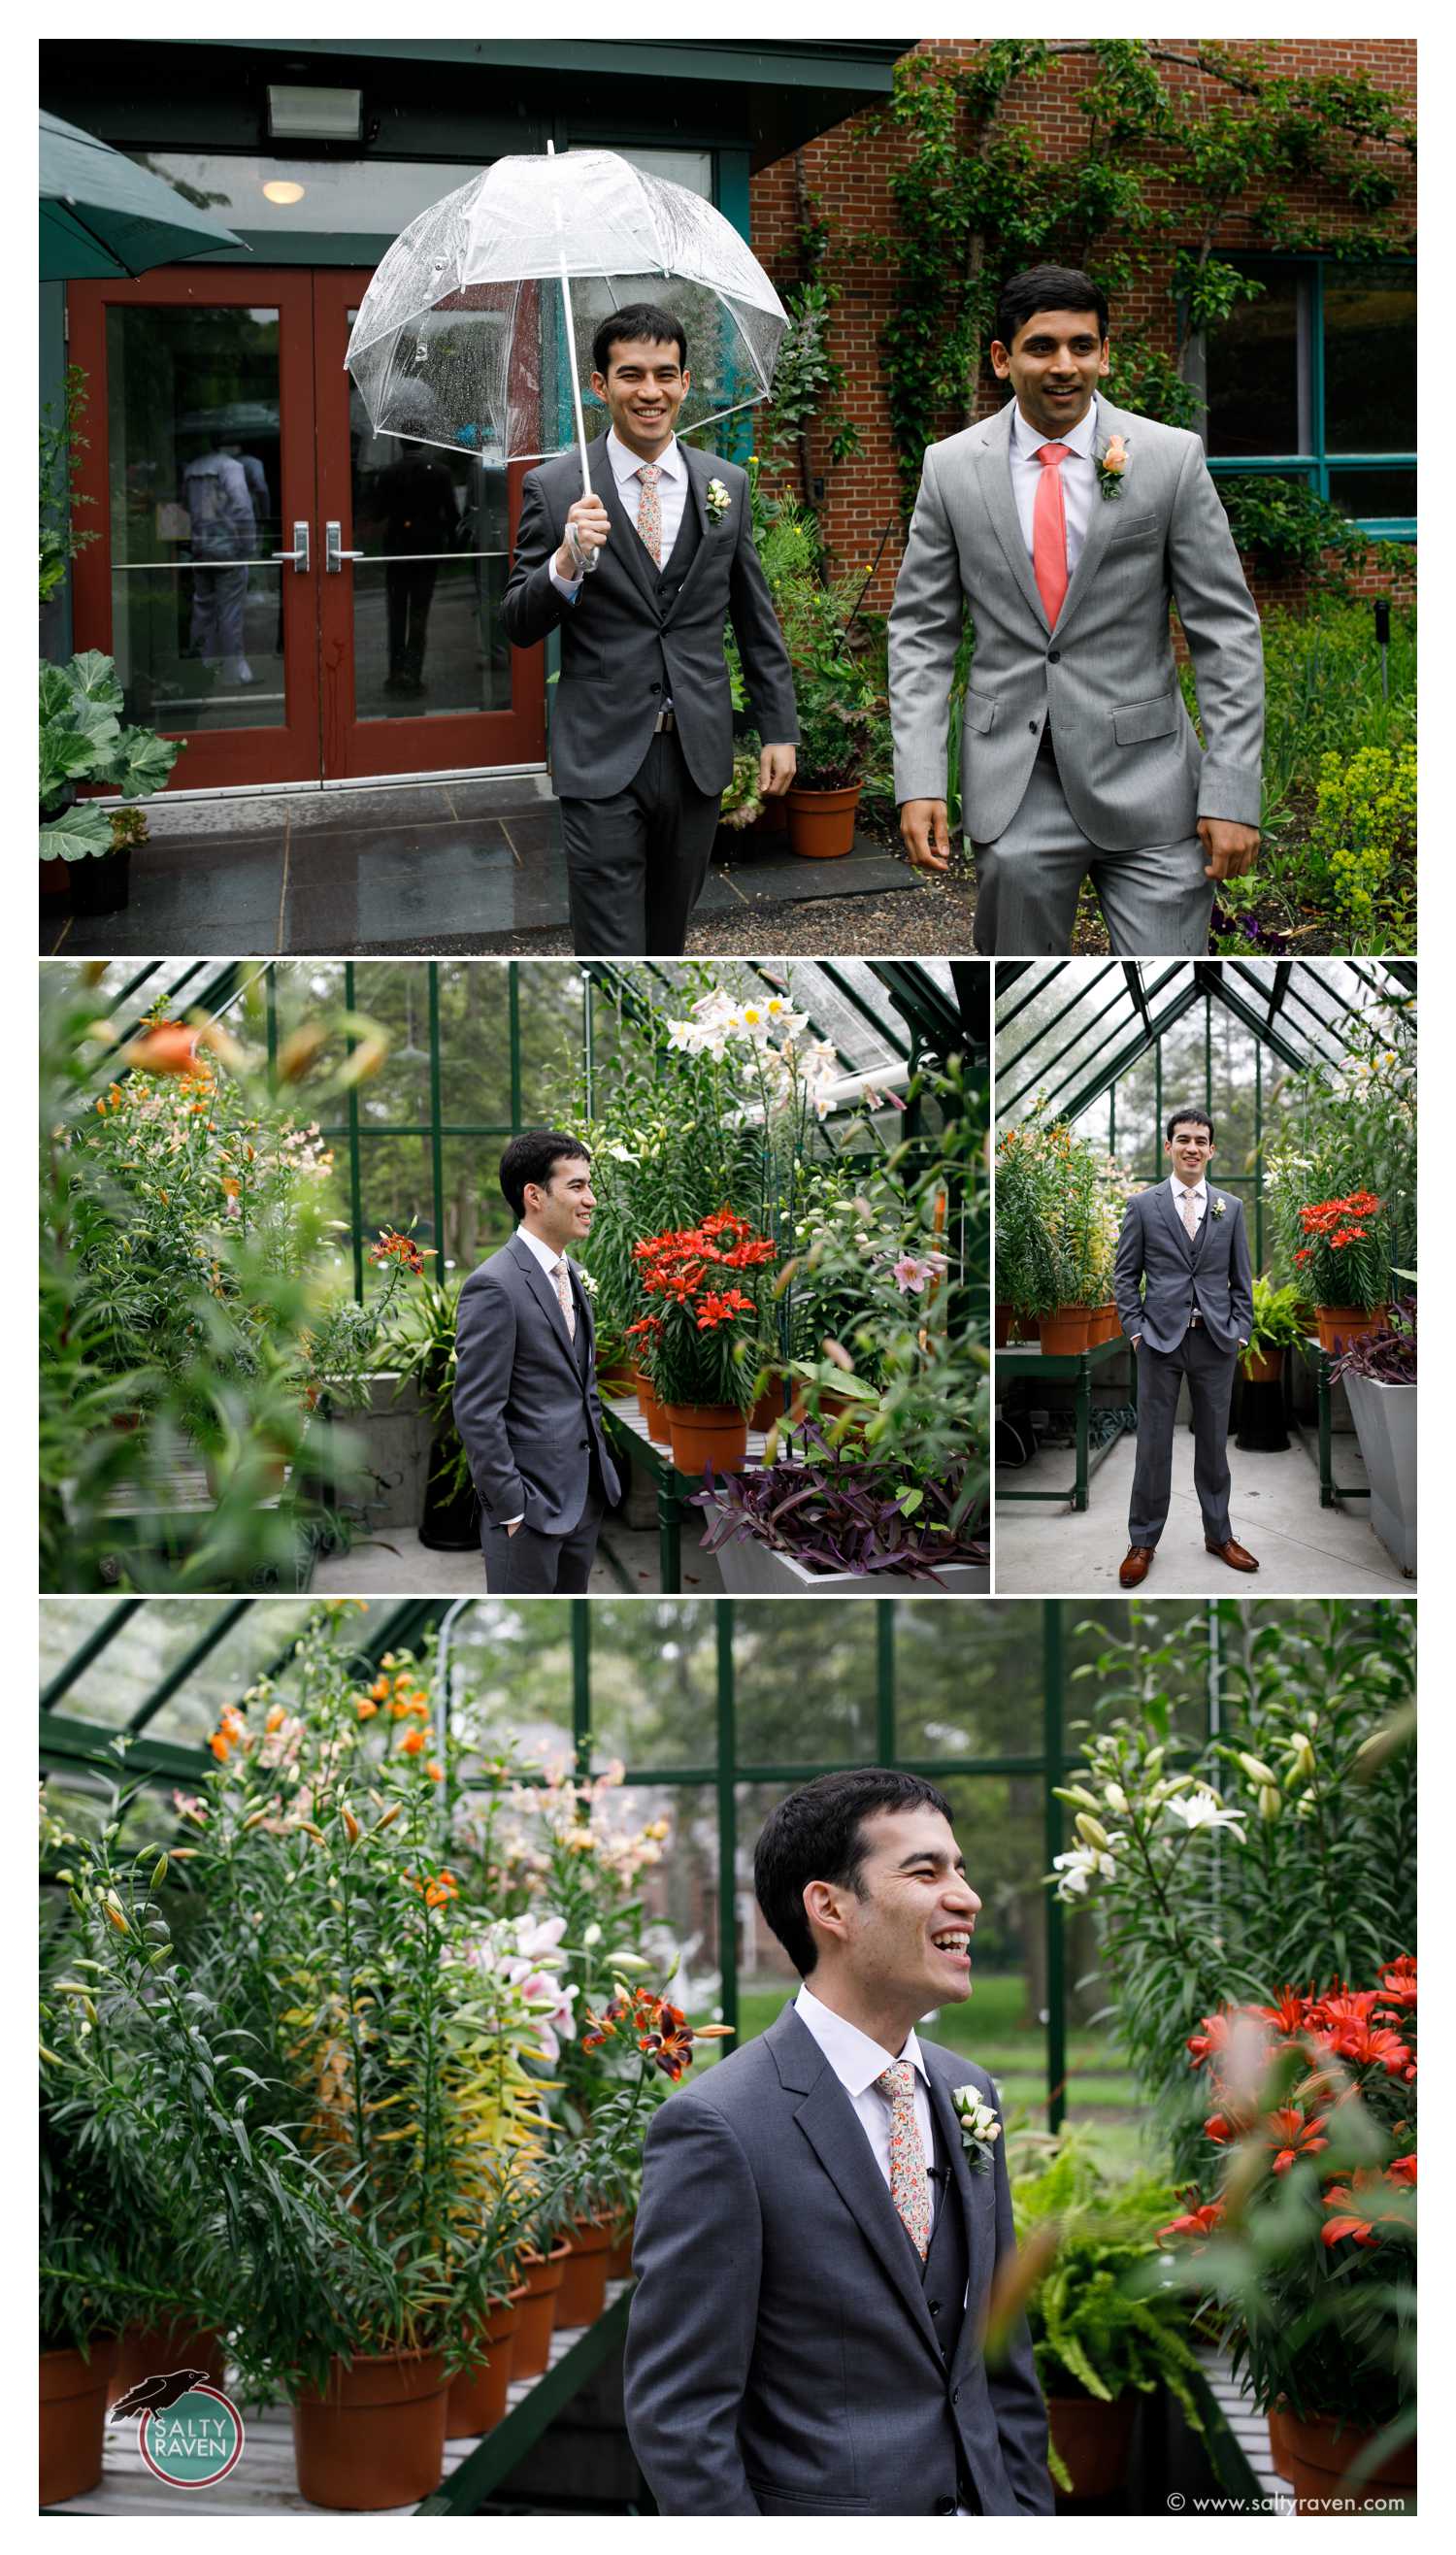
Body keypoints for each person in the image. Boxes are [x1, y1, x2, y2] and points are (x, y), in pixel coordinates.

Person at [623, 1769, 1053, 2516]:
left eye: (961, 1869)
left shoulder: (970, 2093)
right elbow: (680, 2420)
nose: (967, 1897)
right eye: (926, 1871)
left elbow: (1000, 2361)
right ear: (830, 1907)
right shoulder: (718, 2129)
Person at [889, 263, 1265, 956]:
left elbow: (1226, 633)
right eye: (1042, 347)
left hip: (1154, 786)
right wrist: (917, 780)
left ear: (1105, 353)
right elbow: (921, 632)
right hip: (1016, 785)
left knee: (1170, 989)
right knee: (1015, 989)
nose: (1064, 366)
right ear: (1003, 359)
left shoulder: (1170, 458)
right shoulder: (949, 468)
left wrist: (1233, 790)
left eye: (1082, 346)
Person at [502, 303, 798, 957]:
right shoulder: (555, 491)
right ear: (600, 386)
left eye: (666, 374)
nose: (650, 391)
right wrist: (566, 561)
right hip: (602, 752)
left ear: (686, 383)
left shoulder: (726, 486)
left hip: (696, 752)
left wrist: (779, 727)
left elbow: (756, 617)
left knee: (669, 933)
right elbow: (517, 624)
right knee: (610, 940)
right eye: (631, 375)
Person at [452, 1130, 621, 1593]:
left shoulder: (573, 1275)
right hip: (527, 1513)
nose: (590, 1200)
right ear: (534, 1196)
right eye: (576, 1186)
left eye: (590, 1186)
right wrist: (510, 1509)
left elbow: (579, 1384)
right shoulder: (494, 1286)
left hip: (584, 1499)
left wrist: (597, 1482)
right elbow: (476, 1410)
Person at [1113, 1108, 1258, 1586]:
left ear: (1211, 1150)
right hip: (1158, 1342)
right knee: (1152, 1447)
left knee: (1214, 1446)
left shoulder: (1230, 1208)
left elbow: (1242, 1278)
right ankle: (1142, 1542)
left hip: (1216, 1342)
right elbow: (1125, 1276)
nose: (1192, 1147)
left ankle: (1220, 1535)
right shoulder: (1143, 1206)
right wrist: (1136, 1331)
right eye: (1183, 1139)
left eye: (1200, 1140)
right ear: (1168, 1147)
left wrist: (1240, 1331)